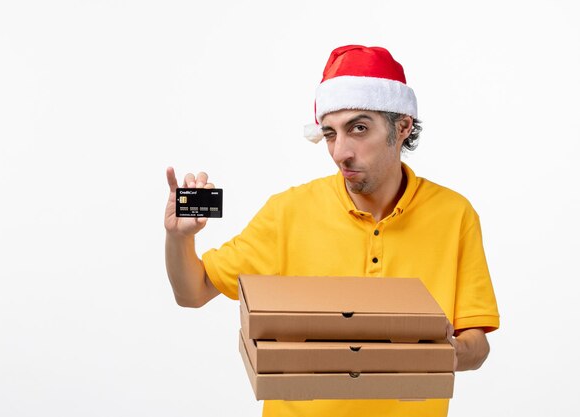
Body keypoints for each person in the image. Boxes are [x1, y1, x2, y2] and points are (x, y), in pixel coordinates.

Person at [165, 45, 499, 417]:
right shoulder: (287, 213)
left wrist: (438, 354)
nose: (341, 152)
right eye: (329, 134)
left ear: (402, 126)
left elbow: (477, 345)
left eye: (358, 128)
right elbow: (192, 292)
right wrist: (181, 237)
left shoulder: (455, 215)